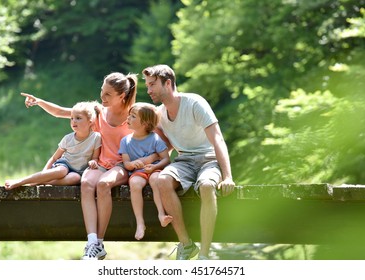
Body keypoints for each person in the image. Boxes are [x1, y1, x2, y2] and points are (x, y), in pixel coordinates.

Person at [21, 72, 157, 260]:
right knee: (86, 183)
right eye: (102, 92)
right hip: (99, 164)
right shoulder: (98, 111)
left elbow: (157, 136)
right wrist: (39, 101)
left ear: (122, 96)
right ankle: (91, 242)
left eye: (108, 94)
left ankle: (99, 243)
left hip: (121, 166)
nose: (103, 97)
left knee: (103, 185)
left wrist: (155, 162)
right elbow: (62, 112)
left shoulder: (134, 114)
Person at [142, 64, 236, 260]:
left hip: (209, 159)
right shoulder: (159, 114)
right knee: (162, 180)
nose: (149, 90)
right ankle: (186, 244)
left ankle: (204, 253)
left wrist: (227, 176)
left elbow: (217, 139)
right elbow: (163, 148)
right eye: (147, 86)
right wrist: (143, 163)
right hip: (183, 160)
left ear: (168, 83)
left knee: (207, 185)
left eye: (152, 85)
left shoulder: (194, 103)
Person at [5, 101, 101, 190]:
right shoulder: (67, 139)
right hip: (64, 165)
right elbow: (54, 158)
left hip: (78, 171)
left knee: (75, 179)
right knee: (62, 171)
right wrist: (44, 172)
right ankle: (21, 181)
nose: (73, 121)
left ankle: (44, 182)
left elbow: (95, 158)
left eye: (78, 118)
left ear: (90, 121)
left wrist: (93, 162)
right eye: (72, 118)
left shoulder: (96, 137)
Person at [119, 102, 173, 240]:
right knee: (135, 184)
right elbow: (126, 164)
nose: (128, 119)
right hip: (138, 172)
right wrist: (132, 164)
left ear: (144, 123)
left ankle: (161, 214)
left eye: (133, 116)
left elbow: (166, 159)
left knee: (156, 180)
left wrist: (155, 167)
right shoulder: (125, 141)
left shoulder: (154, 138)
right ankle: (140, 223)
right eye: (129, 115)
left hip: (155, 170)